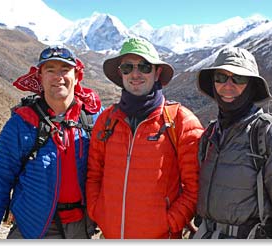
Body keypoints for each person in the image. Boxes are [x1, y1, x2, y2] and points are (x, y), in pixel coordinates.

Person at [0, 46, 103, 239]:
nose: (58, 76)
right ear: (40, 77)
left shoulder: (94, 120)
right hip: (32, 228)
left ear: (76, 76)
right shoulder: (21, 123)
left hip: (81, 229)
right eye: (50, 70)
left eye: (64, 70)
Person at [86, 37, 203, 239]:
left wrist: (168, 223)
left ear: (157, 72)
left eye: (144, 67)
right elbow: (94, 175)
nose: (135, 74)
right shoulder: (107, 121)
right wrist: (99, 212)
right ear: (120, 73)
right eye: (127, 67)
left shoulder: (180, 121)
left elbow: (195, 188)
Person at [194, 46, 272, 239]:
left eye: (238, 78)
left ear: (251, 85)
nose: (228, 85)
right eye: (220, 77)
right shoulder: (211, 135)